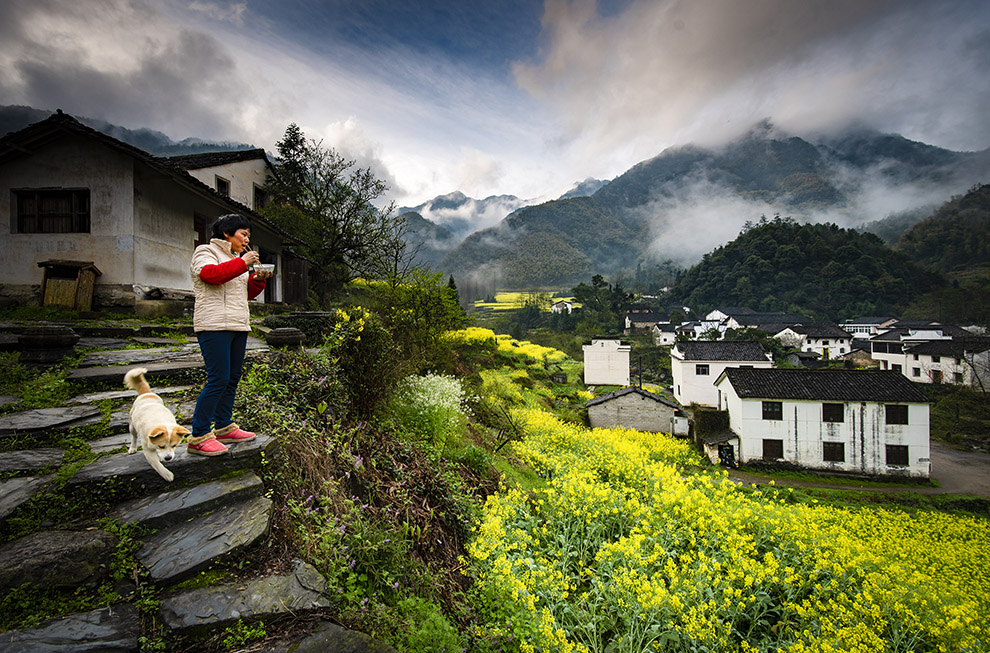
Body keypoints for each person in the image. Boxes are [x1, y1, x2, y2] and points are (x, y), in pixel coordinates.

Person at [187, 214, 273, 455]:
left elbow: (244, 294)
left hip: (237, 324)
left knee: (232, 378)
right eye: (243, 234)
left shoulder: (236, 259)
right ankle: (199, 435)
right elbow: (210, 275)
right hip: (214, 325)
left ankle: (223, 426)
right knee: (218, 379)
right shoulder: (206, 251)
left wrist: (257, 280)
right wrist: (244, 263)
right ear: (227, 233)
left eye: (248, 236)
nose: (246, 240)